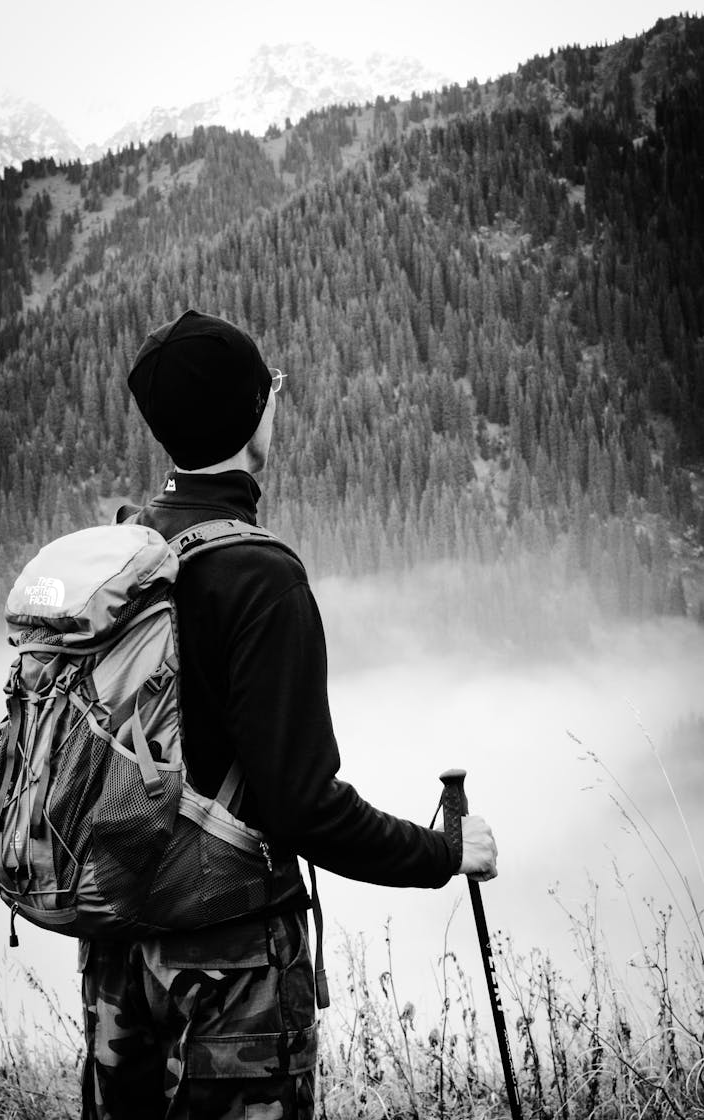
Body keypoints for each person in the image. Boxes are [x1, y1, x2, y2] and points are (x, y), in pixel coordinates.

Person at [80, 309, 498, 1120]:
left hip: (120, 964)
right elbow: (302, 805)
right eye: (271, 389)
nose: (277, 402)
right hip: (230, 979)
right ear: (251, 415)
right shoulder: (260, 577)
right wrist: (444, 853)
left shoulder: (124, 556)